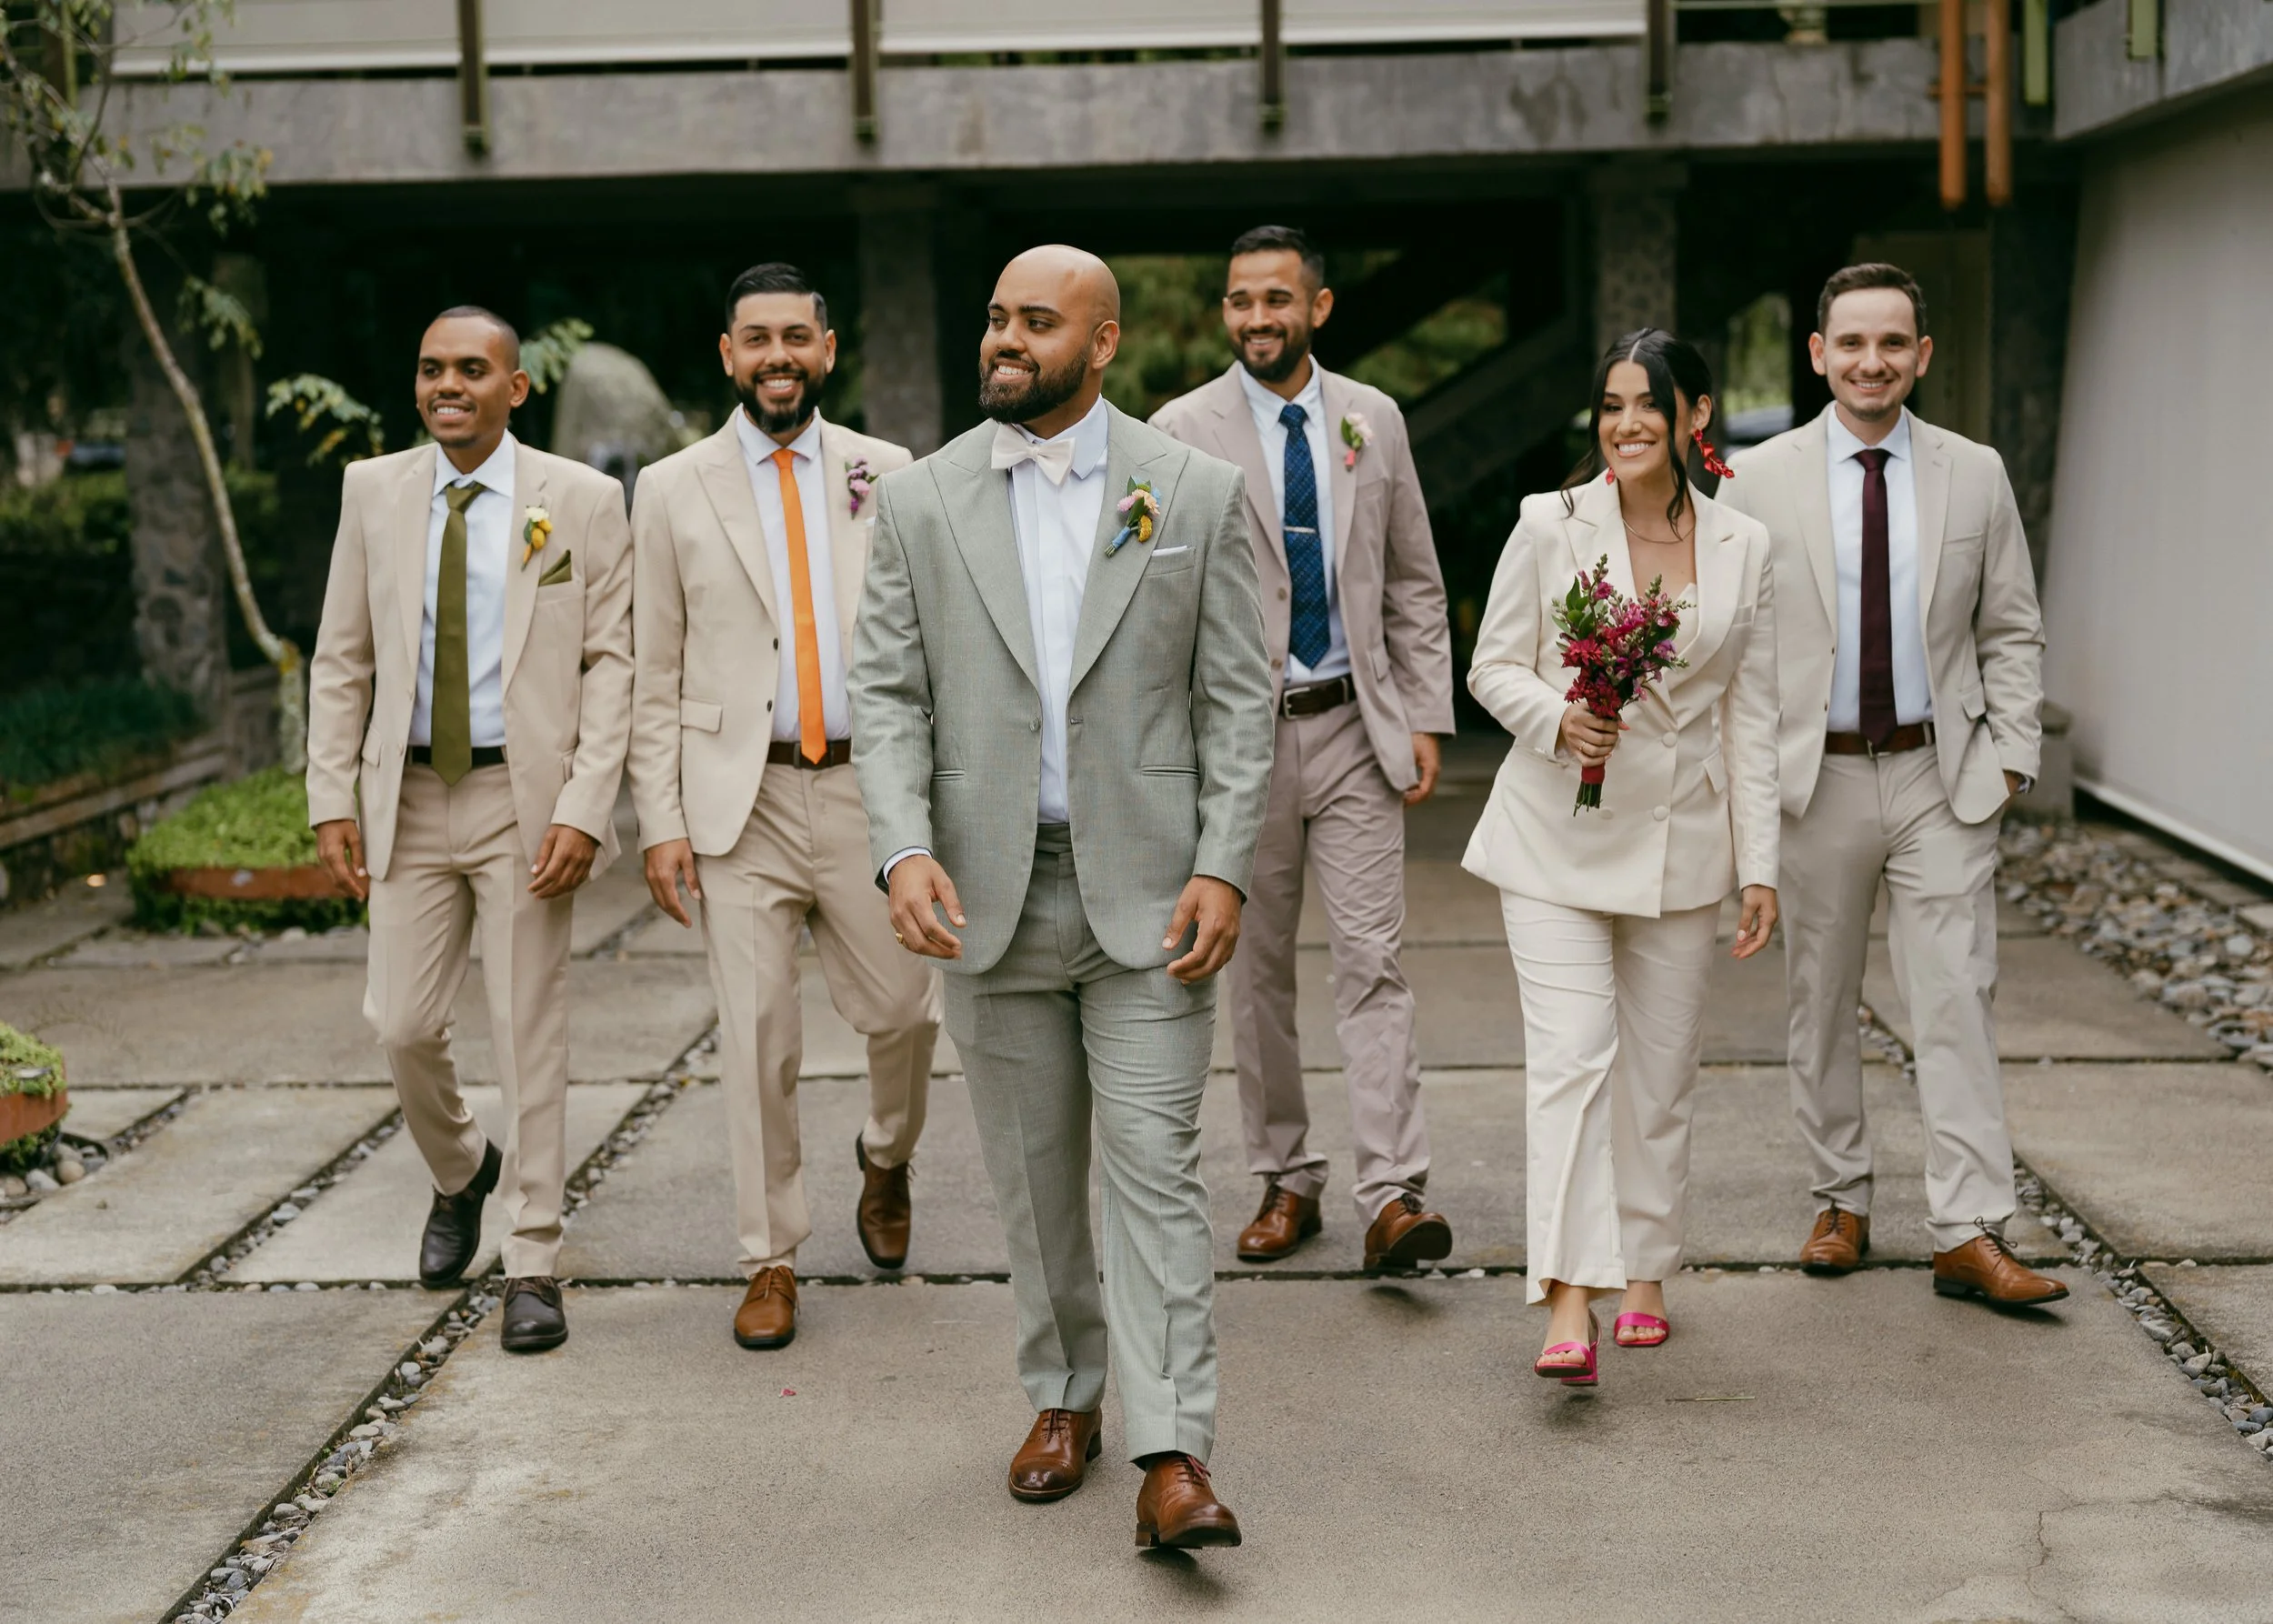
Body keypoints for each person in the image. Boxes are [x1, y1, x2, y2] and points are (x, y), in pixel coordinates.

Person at [849, 246, 1273, 1549]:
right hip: (985, 893)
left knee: (1155, 1172)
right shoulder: (919, 501)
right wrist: (899, 847)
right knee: (1034, 1185)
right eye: (994, 319)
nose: (1005, 340)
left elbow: (1237, 694)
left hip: (1150, 897)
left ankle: (1172, 1452)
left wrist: (1221, 859)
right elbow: (887, 695)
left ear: (1103, 343)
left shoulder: (1194, 486)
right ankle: (1066, 1395)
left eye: (1037, 322)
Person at [1717, 264, 2062, 1308]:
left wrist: (2008, 759)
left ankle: (1967, 1227)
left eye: (1893, 343)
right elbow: (1732, 641)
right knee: (1817, 1000)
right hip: (1810, 780)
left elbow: (2009, 625)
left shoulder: (1974, 472)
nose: (1873, 362)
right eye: (1851, 343)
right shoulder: (1755, 477)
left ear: (1920, 355)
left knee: (1955, 991)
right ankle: (1840, 1197)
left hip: (1938, 774)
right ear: (1818, 353)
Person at [628, 263, 942, 1352]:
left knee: (907, 1012)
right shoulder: (670, 487)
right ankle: (769, 1255)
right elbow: (653, 665)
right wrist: (659, 819)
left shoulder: (887, 471)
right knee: (757, 1037)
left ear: (827, 347)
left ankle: (886, 1156)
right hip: (739, 801)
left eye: (794, 337)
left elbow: (924, 642)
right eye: (754, 339)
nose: (776, 356)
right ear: (727, 355)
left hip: (870, 786)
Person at [306, 306, 633, 1353]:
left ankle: (533, 1256)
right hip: (406, 796)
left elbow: (612, 666)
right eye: (431, 368)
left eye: (471, 369)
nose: (448, 384)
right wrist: (329, 795)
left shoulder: (579, 500)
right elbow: (342, 657)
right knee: (398, 1022)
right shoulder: (374, 491)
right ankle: (463, 1169)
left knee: (527, 1028)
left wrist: (586, 803)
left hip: (522, 803)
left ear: (515, 385)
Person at [1462, 329, 1780, 1387]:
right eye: (1609, 404)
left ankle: (1644, 1267)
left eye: (1649, 402)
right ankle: (1567, 1292)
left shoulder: (1744, 545)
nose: (1626, 422)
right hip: (1553, 840)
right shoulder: (1547, 525)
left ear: (1695, 414)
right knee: (1572, 1061)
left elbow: (1750, 714)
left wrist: (1759, 864)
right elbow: (1492, 666)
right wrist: (1561, 720)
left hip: (1682, 852)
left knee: (1658, 1075)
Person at [1150, 225, 1457, 1270]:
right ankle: (1286, 1178)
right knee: (1254, 971)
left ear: (1316, 309)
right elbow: (1157, 601)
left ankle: (1393, 1192)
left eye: (1276, 300)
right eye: (1240, 301)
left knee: (1374, 963)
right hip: (1237, 749)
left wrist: (1421, 711)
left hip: (1353, 729)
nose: (1256, 319)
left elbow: (1413, 576)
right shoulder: (1178, 428)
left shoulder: (1373, 418)